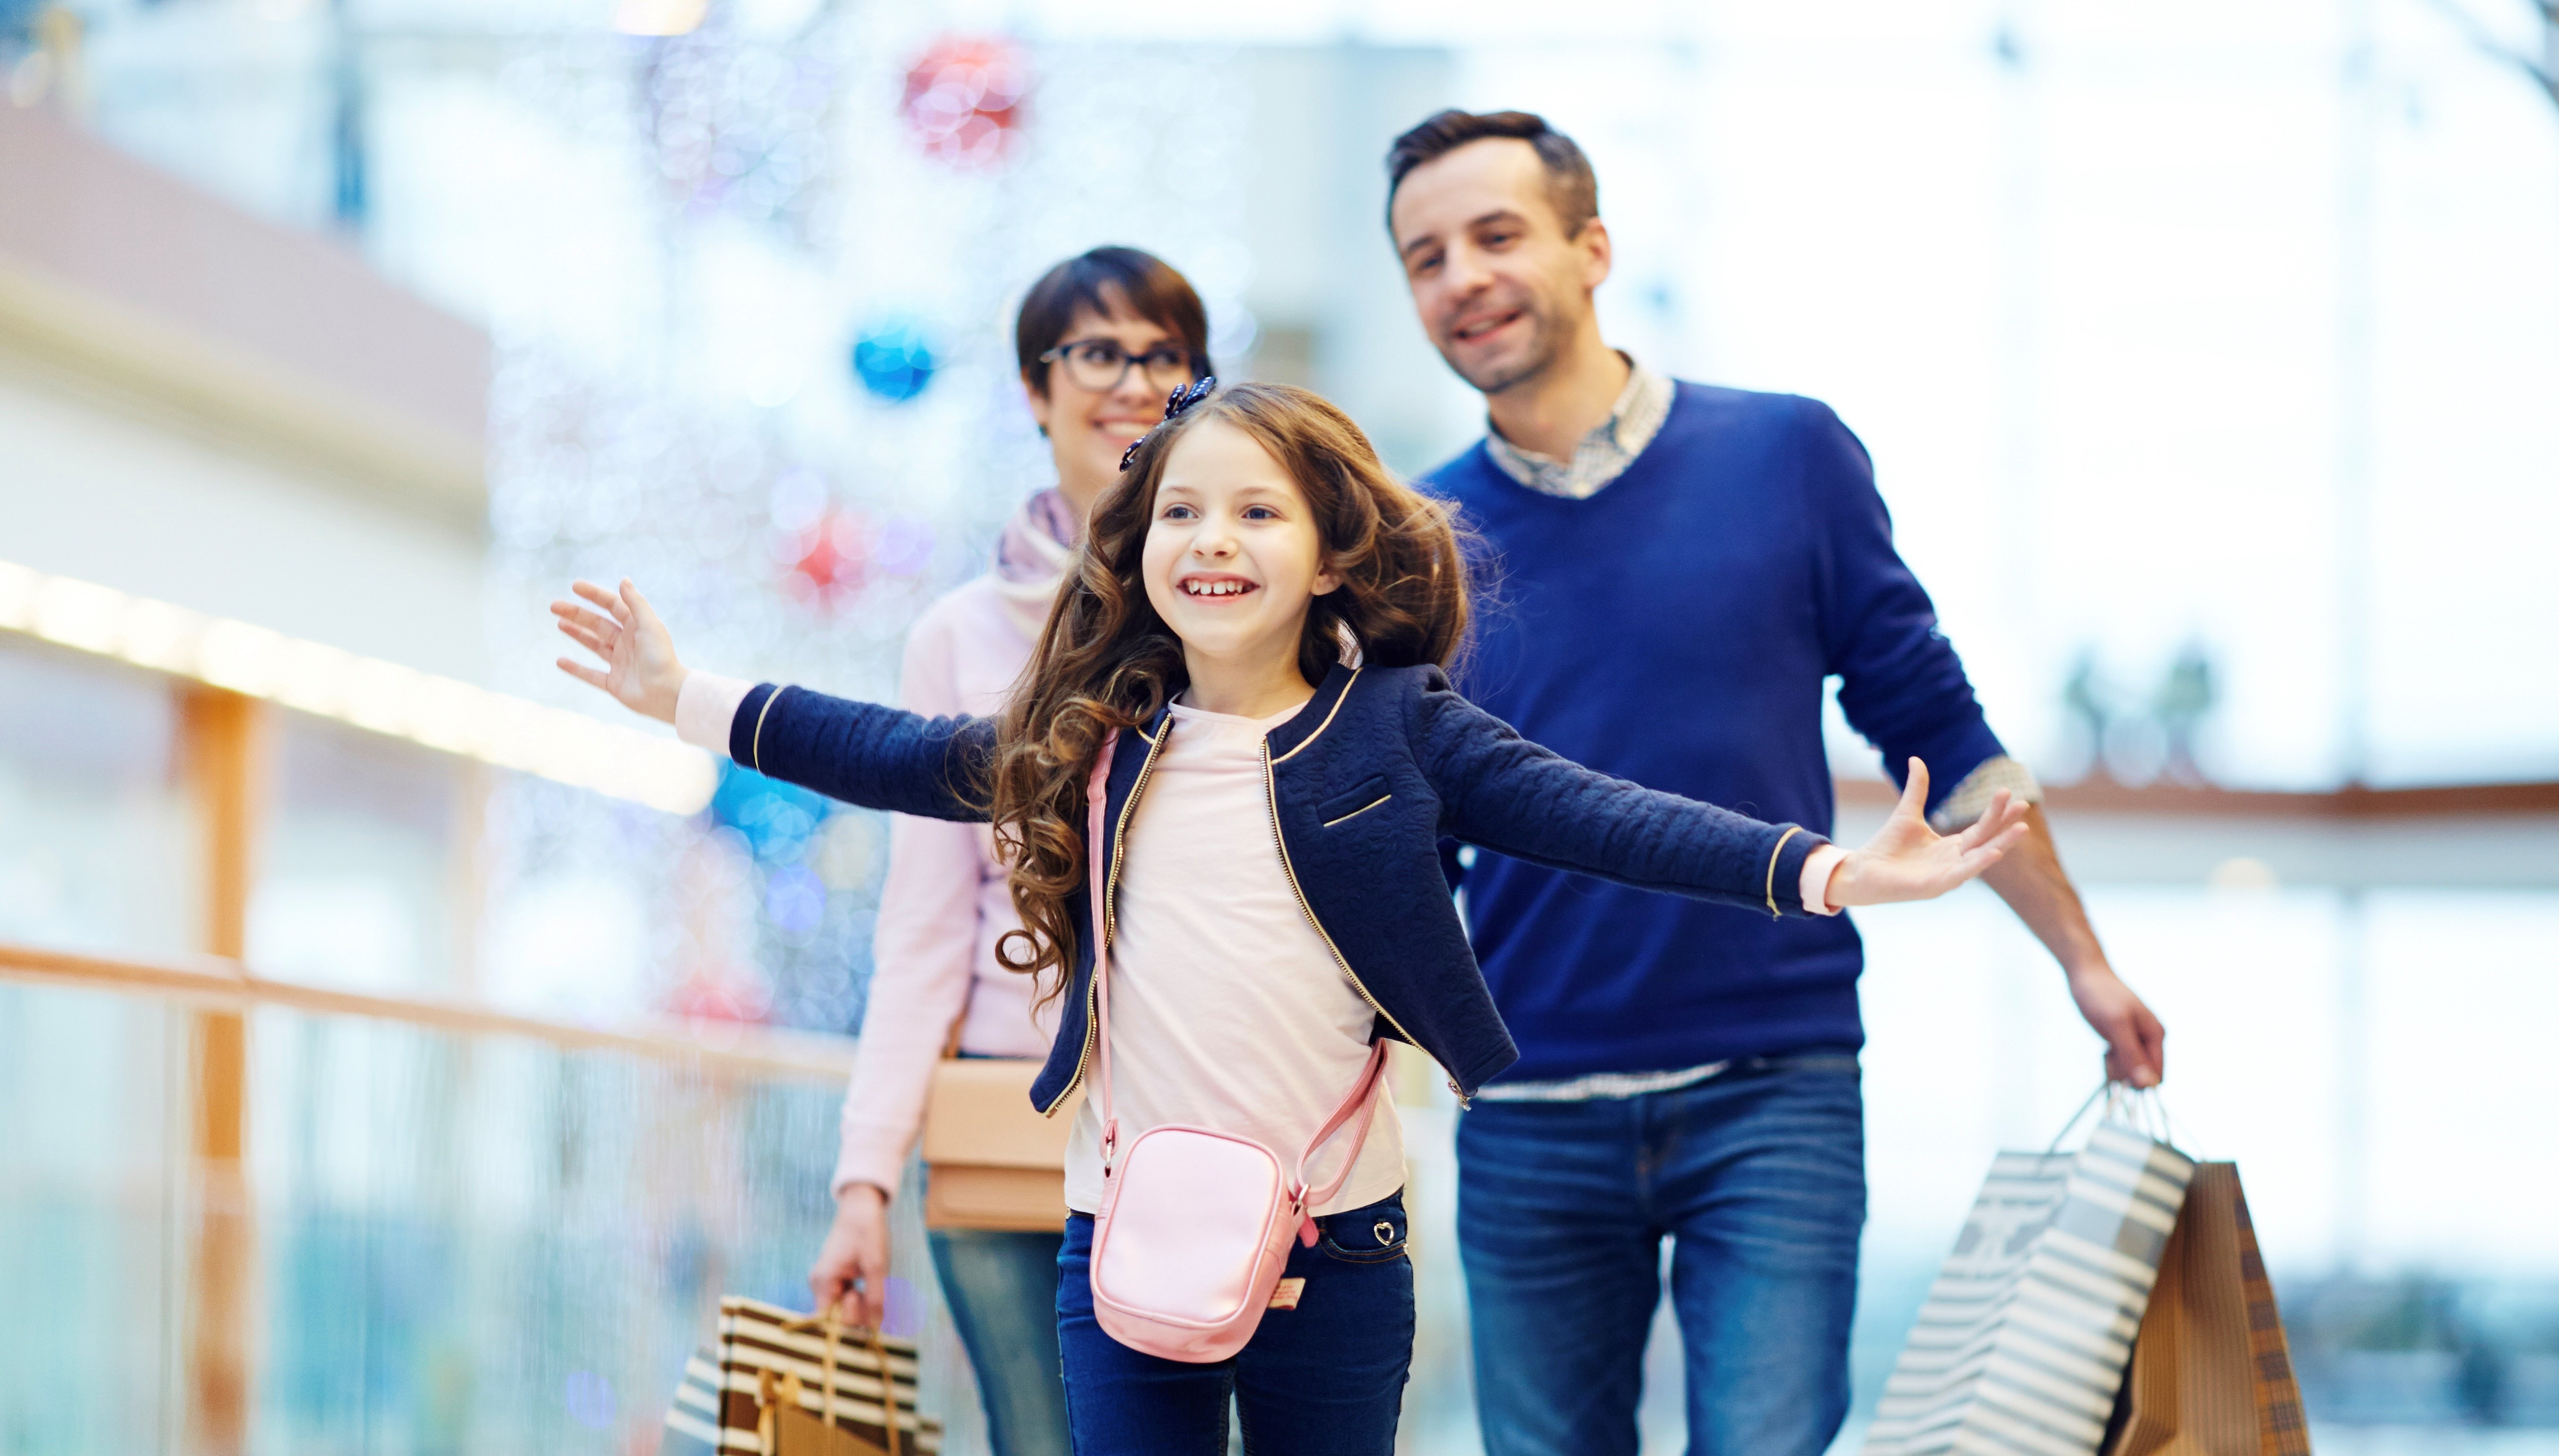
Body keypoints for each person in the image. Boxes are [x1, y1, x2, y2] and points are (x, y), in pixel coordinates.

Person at [548, 379, 2033, 1456]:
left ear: (1327, 553)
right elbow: (891, 752)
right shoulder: (1091, 735)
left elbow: (1605, 818)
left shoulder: (1403, 730)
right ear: (1136, 554)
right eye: (1181, 510)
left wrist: (1834, 871)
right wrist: (683, 696)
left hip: (1340, 1242)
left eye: (1257, 509)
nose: (1213, 536)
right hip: (1115, 1229)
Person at [1381, 108, 2171, 1455]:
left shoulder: (1785, 458)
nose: (1459, 276)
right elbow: (1408, 847)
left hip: (1774, 1091)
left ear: (1591, 248)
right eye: (1424, 257)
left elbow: (1941, 730)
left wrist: (2081, 965)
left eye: (1495, 235)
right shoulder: (1416, 542)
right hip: (1530, 1112)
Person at [793, 246, 1212, 1456]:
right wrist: (864, 1181)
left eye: (1164, 355)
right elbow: (923, 928)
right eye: (1097, 351)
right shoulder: (961, 638)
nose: (1133, 381)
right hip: (1002, 1119)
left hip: (1204, 1129)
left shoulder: (1243, 612)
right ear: (1037, 389)